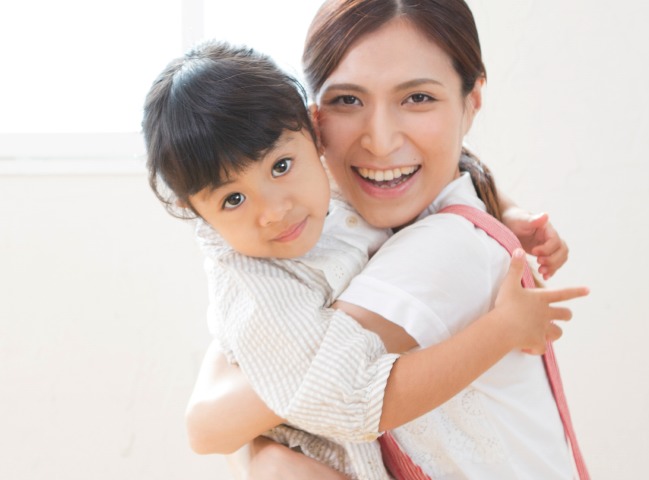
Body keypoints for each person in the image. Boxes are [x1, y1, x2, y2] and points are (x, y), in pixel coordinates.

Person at [143, 38, 586, 479]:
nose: (274, 210)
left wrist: (505, 209)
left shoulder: (334, 198)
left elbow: (446, 167)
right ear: (195, 214)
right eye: (234, 198)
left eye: (280, 167)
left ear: (313, 133)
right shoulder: (260, 286)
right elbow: (358, 398)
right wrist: (502, 329)